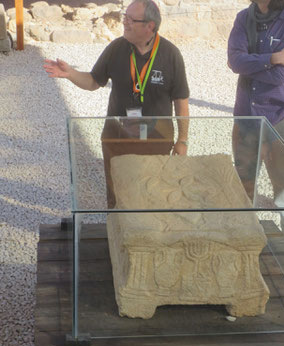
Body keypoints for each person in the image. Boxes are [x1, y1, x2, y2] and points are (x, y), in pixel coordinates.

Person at [44, 0, 189, 207]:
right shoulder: (116, 48)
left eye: (131, 19)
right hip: (118, 134)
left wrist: (182, 140)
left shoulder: (171, 54)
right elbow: (94, 81)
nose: (125, 23)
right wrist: (70, 74)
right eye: (125, 17)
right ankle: (117, 229)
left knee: (154, 193)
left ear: (150, 26)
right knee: (117, 194)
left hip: (156, 137)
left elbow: (181, 100)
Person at [227, 0, 284, 249]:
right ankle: (243, 244)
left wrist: (252, 61)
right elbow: (234, 61)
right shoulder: (243, 18)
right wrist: (275, 57)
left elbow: (280, 77)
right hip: (246, 115)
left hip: (278, 117)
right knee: (243, 183)